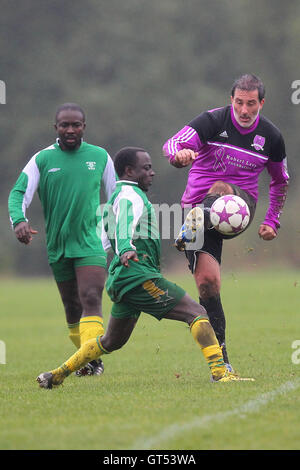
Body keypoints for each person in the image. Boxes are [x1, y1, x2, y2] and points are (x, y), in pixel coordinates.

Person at [36, 146, 254, 389]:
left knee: (111, 341)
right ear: (129, 171)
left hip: (123, 278)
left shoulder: (116, 200)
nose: (152, 173)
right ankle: (220, 373)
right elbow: (123, 229)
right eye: (146, 168)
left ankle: (55, 375)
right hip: (138, 275)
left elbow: (102, 242)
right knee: (197, 313)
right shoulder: (130, 197)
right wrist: (127, 246)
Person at [162, 74, 289, 371]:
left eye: (252, 104)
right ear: (231, 99)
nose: (245, 111)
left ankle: (196, 220)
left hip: (240, 206)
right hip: (194, 207)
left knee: (221, 189)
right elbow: (174, 143)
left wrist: (272, 219)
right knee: (208, 285)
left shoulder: (271, 136)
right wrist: (178, 155)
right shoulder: (212, 121)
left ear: (262, 103)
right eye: (239, 103)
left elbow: (280, 181)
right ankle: (222, 362)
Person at [8, 103, 117, 377]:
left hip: (91, 241)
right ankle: (88, 356)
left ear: (84, 127)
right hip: (58, 244)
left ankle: (91, 363)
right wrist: (19, 221)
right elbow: (18, 193)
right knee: (72, 307)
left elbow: (117, 198)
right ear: (55, 128)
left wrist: (117, 238)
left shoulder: (100, 157)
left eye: (76, 125)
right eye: (65, 125)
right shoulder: (42, 159)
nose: (70, 130)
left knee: (91, 296)